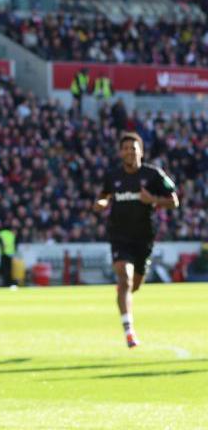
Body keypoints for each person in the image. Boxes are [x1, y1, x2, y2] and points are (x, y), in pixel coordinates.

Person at [94, 132, 178, 348]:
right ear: (121, 152)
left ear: (141, 150)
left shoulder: (153, 175)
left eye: (133, 148)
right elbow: (103, 195)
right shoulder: (113, 176)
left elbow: (174, 201)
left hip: (143, 239)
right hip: (119, 236)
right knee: (124, 277)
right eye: (126, 148)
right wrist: (101, 203)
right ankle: (129, 330)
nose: (130, 152)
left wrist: (154, 200)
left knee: (134, 285)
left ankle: (124, 289)